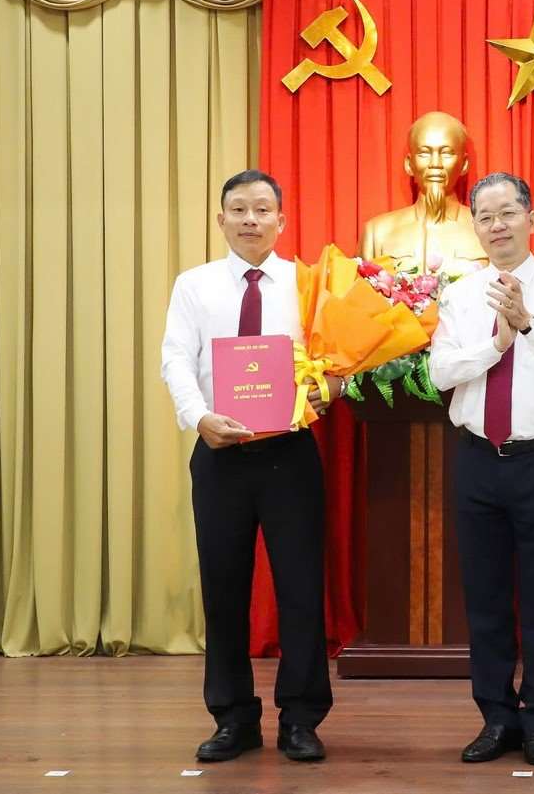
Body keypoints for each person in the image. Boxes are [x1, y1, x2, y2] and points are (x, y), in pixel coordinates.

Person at [160, 169, 345, 762]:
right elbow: (175, 361)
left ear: (281, 220)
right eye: (238, 209)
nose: (250, 220)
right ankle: (232, 718)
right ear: (220, 220)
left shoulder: (309, 285)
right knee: (223, 588)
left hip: (290, 455)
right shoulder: (194, 286)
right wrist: (199, 417)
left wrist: (333, 388)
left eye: (262, 210)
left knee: (299, 589)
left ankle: (301, 717)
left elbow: (336, 361)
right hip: (220, 456)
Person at [428, 172, 534, 767]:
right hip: (477, 458)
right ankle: (496, 717)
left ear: (531, 217)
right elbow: (441, 374)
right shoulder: (459, 293)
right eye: (485, 217)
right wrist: (494, 347)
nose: (496, 226)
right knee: (485, 596)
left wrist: (527, 324)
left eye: (507, 213)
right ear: (474, 226)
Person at [359, 111, 488, 271]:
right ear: (409, 164)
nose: (435, 163)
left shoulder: (488, 229)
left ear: (464, 164)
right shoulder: (377, 233)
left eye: (446, 153)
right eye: (424, 153)